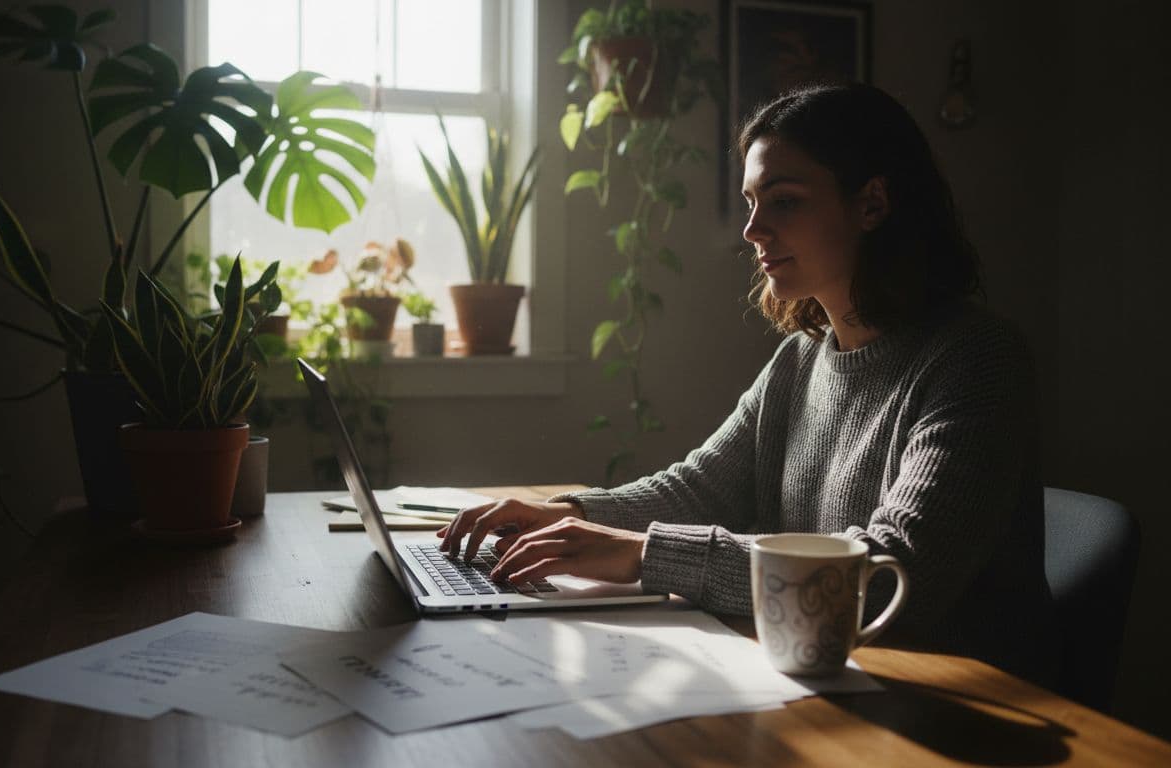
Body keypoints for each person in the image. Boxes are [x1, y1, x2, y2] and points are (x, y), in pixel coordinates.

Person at [438, 83, 1056, 685]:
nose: (753, 230)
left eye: (783, 201)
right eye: (752, 201)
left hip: (949, 706)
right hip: (826, 680)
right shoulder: (800, 360)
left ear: (872, 203)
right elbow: (701, 488)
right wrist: (565, 514)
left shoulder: (977, 360)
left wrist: (642, 553)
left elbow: (892, 576)